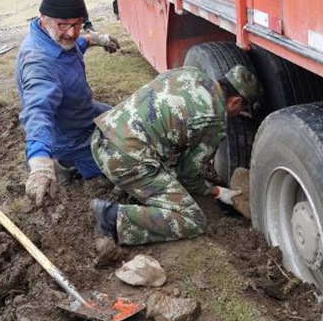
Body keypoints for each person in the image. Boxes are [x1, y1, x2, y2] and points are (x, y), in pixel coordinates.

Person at [89, 64, 263, 246]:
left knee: (162, 151)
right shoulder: (215, 119)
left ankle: (125, 187)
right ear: (234, 102)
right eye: (242, 108)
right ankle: (110, 217)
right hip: (121, 160)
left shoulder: (190, 72)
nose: (239, 114)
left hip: (101, 135)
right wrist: (217, 191)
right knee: (193, 220)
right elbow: (187, 174)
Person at [16, 0, 121, 207]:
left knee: (128, 120)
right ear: (43, 18)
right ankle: (63, 162)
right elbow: (37, 112)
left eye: (78, 23)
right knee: (119, 167)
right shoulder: (39, 62)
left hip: (85, 113)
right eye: (64, 24)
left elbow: (75, 45)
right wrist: (40, 163)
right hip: (70, 137)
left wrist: (94, 39)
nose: (72, 32)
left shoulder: (57, 39)